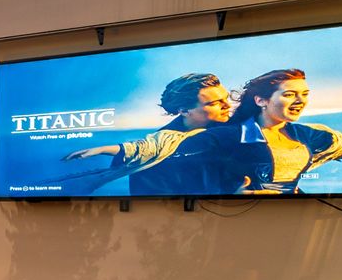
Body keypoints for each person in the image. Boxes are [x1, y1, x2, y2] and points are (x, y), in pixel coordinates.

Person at [61, 73, 235, 195]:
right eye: (216, 103)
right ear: (184, 110)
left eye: (226, 98)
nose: (227, 106)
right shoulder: (161, 153)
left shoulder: (234, 129)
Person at [207, 68, 342, 194]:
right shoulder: (224, 136)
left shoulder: (309, 134)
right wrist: (230, 193)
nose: (301, 100)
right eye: (289, 95)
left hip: (297, 213)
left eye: (305, 94)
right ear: (260, 100)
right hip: (239, 215)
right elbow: (190, 175)